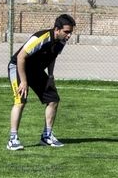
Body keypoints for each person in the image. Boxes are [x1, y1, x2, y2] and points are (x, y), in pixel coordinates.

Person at [6, 14, 75, 150]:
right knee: (20, 99)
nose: (69, 35)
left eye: (71, 32)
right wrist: (24, 82)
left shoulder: (61, 42)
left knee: (53, 99)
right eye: (66, 32)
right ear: (57, 29)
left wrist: (50, 76)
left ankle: (47, 136)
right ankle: (13, 139)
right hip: (18, 67)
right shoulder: (41, 38)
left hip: (35, 70)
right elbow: (21, 57)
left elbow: (52, 57)